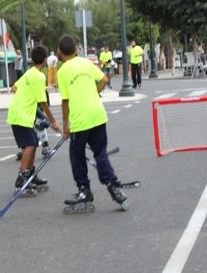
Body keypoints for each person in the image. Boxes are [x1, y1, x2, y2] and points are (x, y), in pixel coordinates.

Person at [55, 35, 131, 214]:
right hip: (97, 115)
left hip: (81, 120)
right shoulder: (86, 63)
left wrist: (65, 125)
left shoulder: (62, 71)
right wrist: (94, 92)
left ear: (59, 51)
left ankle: (84, 191)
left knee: (77, 156)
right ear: (76, 49)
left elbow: (65, 101)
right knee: (100, 154)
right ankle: (115, 188)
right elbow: (104, 79)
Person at [7, 45, 60, 197]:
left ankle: (30, 175)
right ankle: (22, 178)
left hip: (18, 114)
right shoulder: (39, 76)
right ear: (45, 60)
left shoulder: (29, 73)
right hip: (22, 116)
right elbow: (43, 102)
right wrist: (54, 122)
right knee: (30, 144)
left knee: (33, 143)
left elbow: (14, 89)